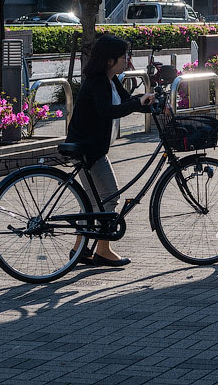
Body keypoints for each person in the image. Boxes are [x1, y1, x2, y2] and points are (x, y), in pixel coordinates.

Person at [66, 35, 156, 267]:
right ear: (109, 60)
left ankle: (80, 250)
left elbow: (127, 101)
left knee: (94, 201)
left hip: (92, 147)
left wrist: (152, 105)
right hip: (88, 149)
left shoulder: (110, 79)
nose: (127, 59)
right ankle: (102, 250)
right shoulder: (98, 82)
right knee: (109, 198)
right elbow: (109, 111)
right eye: (123, 56)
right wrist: (138, 104)